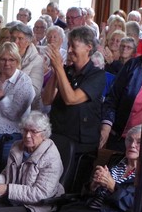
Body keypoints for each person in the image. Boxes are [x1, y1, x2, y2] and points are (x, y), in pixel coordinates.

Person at [42, 25, 106, 160]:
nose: (69, 50)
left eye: (74, 46)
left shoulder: (97, 75)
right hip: (57, 136)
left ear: (88, 47)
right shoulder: (65, 71)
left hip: (81, 145)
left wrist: (59, 68)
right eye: (68, 45)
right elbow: (46, 100)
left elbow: (71, 99)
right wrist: (56, 71)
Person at [0, 41, 38, 157]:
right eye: (3, 59)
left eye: (11, 60)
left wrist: (2, 97)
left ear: (17, 61)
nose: (7, 63)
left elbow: (16, 115)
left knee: (7, 161)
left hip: (12, 134)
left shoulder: (24, 82)